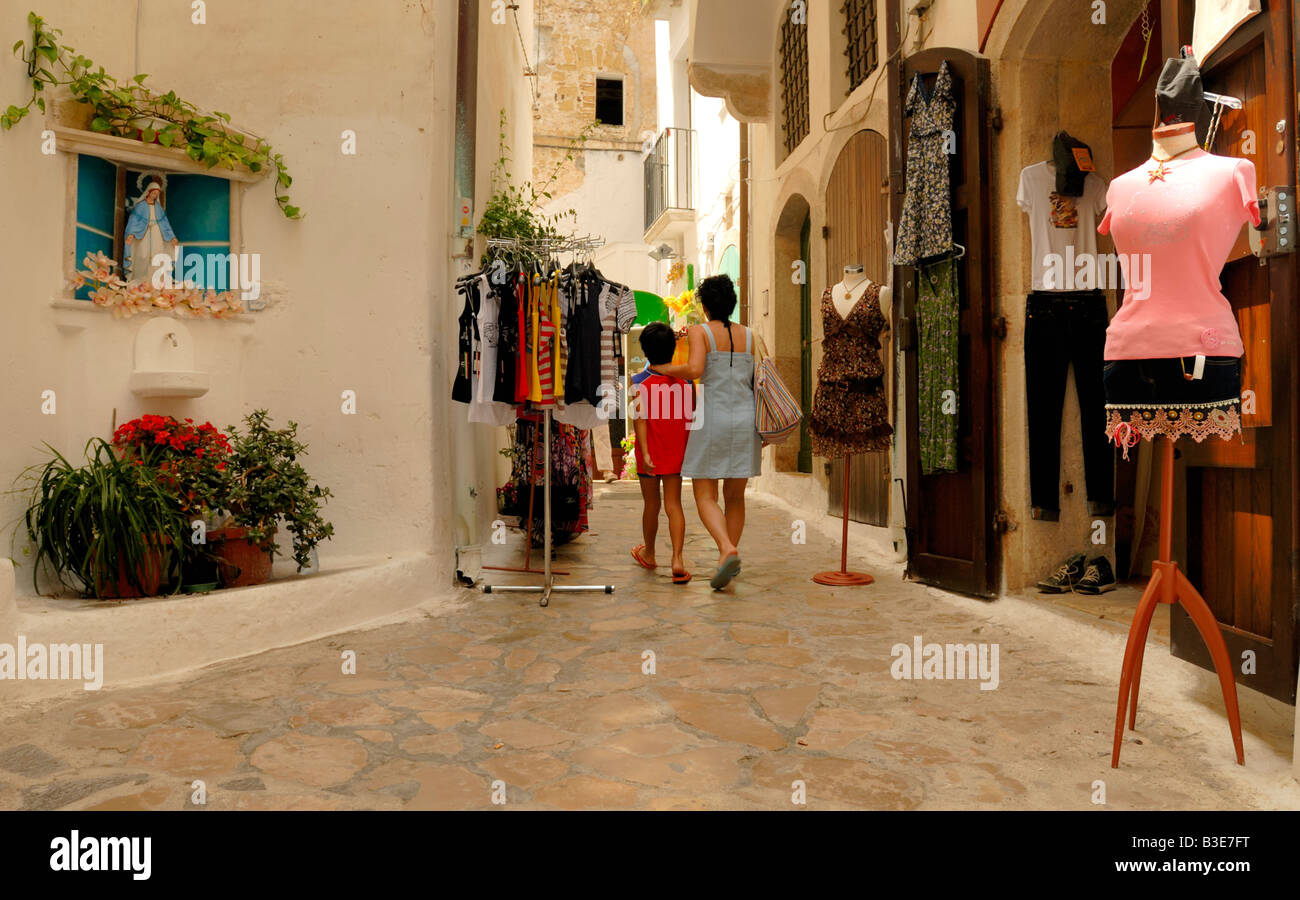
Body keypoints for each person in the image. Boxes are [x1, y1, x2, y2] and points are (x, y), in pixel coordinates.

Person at [649, 274, 761, 590]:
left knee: (704, 493)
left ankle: (726, 548)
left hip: (713, 418)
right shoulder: (751, 335)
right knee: (735, 496)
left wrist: (665, 369)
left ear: (706, 305)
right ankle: (725, 560)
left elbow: (696, 370)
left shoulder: (700, 332)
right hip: (745, 418)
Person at [629, 322, 692, 584]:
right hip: (676, 453)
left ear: (644, 351)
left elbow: (640, 420)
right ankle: (677, 559)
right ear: (673, 348)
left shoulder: (638, 382)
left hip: (650, 454)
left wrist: (644, 453)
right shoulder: (686, 382)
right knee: (674, 504)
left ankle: (650, 552)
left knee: (651, 505)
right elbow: (690, 419)